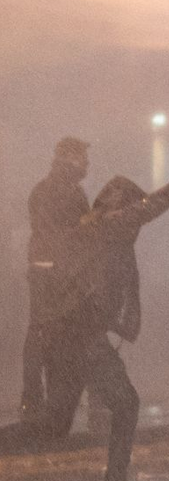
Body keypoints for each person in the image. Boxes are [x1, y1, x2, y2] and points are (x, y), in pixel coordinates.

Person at [0, 156, 169, 481]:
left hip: (64, 337)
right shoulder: (108, 227)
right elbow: (148, 208)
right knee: (126, 404)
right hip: (81, 337)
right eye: (131, 208)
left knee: (54, 424)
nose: (135, 218)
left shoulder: (92, 227)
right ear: (122, 208)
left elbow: (139, 209)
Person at [21, 137, 91, 420]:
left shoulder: (54, 189)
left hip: (50, 269)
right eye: (82, 158)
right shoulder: (60, 192)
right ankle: (39, 400)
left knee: (44, 335)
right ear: (68, 159)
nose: (86, 164)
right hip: (54, 272)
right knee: (47, 335)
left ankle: (37, 400)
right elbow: (69, 234)